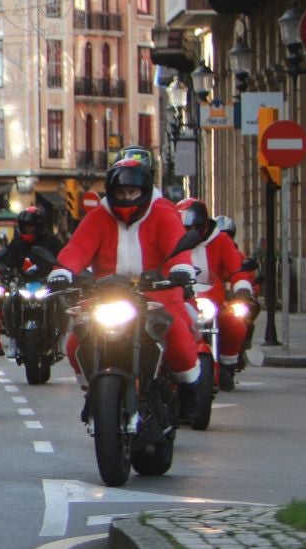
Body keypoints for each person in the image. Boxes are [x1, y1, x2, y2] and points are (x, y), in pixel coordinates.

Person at [47, 155, 203, 419]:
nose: (128, 197)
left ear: (143, 191)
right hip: (106, 294)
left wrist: (180, 268)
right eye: (121, 192)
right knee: (76, 341)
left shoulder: (163, 212)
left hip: (157, 290)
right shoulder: (98, 217)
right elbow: (78, 248)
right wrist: (63, 271)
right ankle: (93, 392)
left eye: (133, 192)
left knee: (177, 335)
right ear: (112, 192)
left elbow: (176, 244)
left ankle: (189, 391)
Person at [178, 198, 253, 371]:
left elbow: (236, 267)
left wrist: (241, 286)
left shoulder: (221, 241)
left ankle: (228, 364)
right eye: (185, 229)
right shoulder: (172, 240)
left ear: (203, 225)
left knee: (234, 322)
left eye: (193, 228)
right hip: (181, 299)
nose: (189, 233)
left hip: (213, 300)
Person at [0, 206, 65, 358]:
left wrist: (60, 273)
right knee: (8, 304)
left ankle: (61, 338)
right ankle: (13, 339)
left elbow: (62, 259)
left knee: (61, 303)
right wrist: (3, 271)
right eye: (26, 226)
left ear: (39, 226)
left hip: (46, 284)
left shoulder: (51, 242)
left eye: (31, 226)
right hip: (23, 285)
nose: (28, 229)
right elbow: (7, 260)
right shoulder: (16, 243)